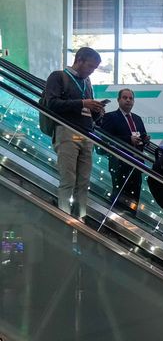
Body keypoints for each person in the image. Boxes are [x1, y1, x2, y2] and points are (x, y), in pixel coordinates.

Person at [43, 47, 106, 219]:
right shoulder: (58, 77)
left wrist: (97, 110)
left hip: (86, 134)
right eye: (90, 66)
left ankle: (80, 218)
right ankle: (64, 218)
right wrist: (82, 103)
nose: (92, 71)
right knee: (68, 180)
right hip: (66, 132)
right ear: (79, 60)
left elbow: (87, 112)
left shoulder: (87, 82)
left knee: (83, 182)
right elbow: (52, 104)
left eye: (94, 68)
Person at [99, 88, 151, 214]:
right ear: (118, 100)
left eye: (130, 98)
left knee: (134, 198)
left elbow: (142, 136)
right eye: (125, 98)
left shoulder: (137, 119)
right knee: (120, 197)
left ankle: (131, 220)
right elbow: (106, 139)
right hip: (119, 163)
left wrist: (145, 140)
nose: (128, 100)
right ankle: (115, 221)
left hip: (137, 164)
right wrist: (128, 139)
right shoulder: (110, 117)